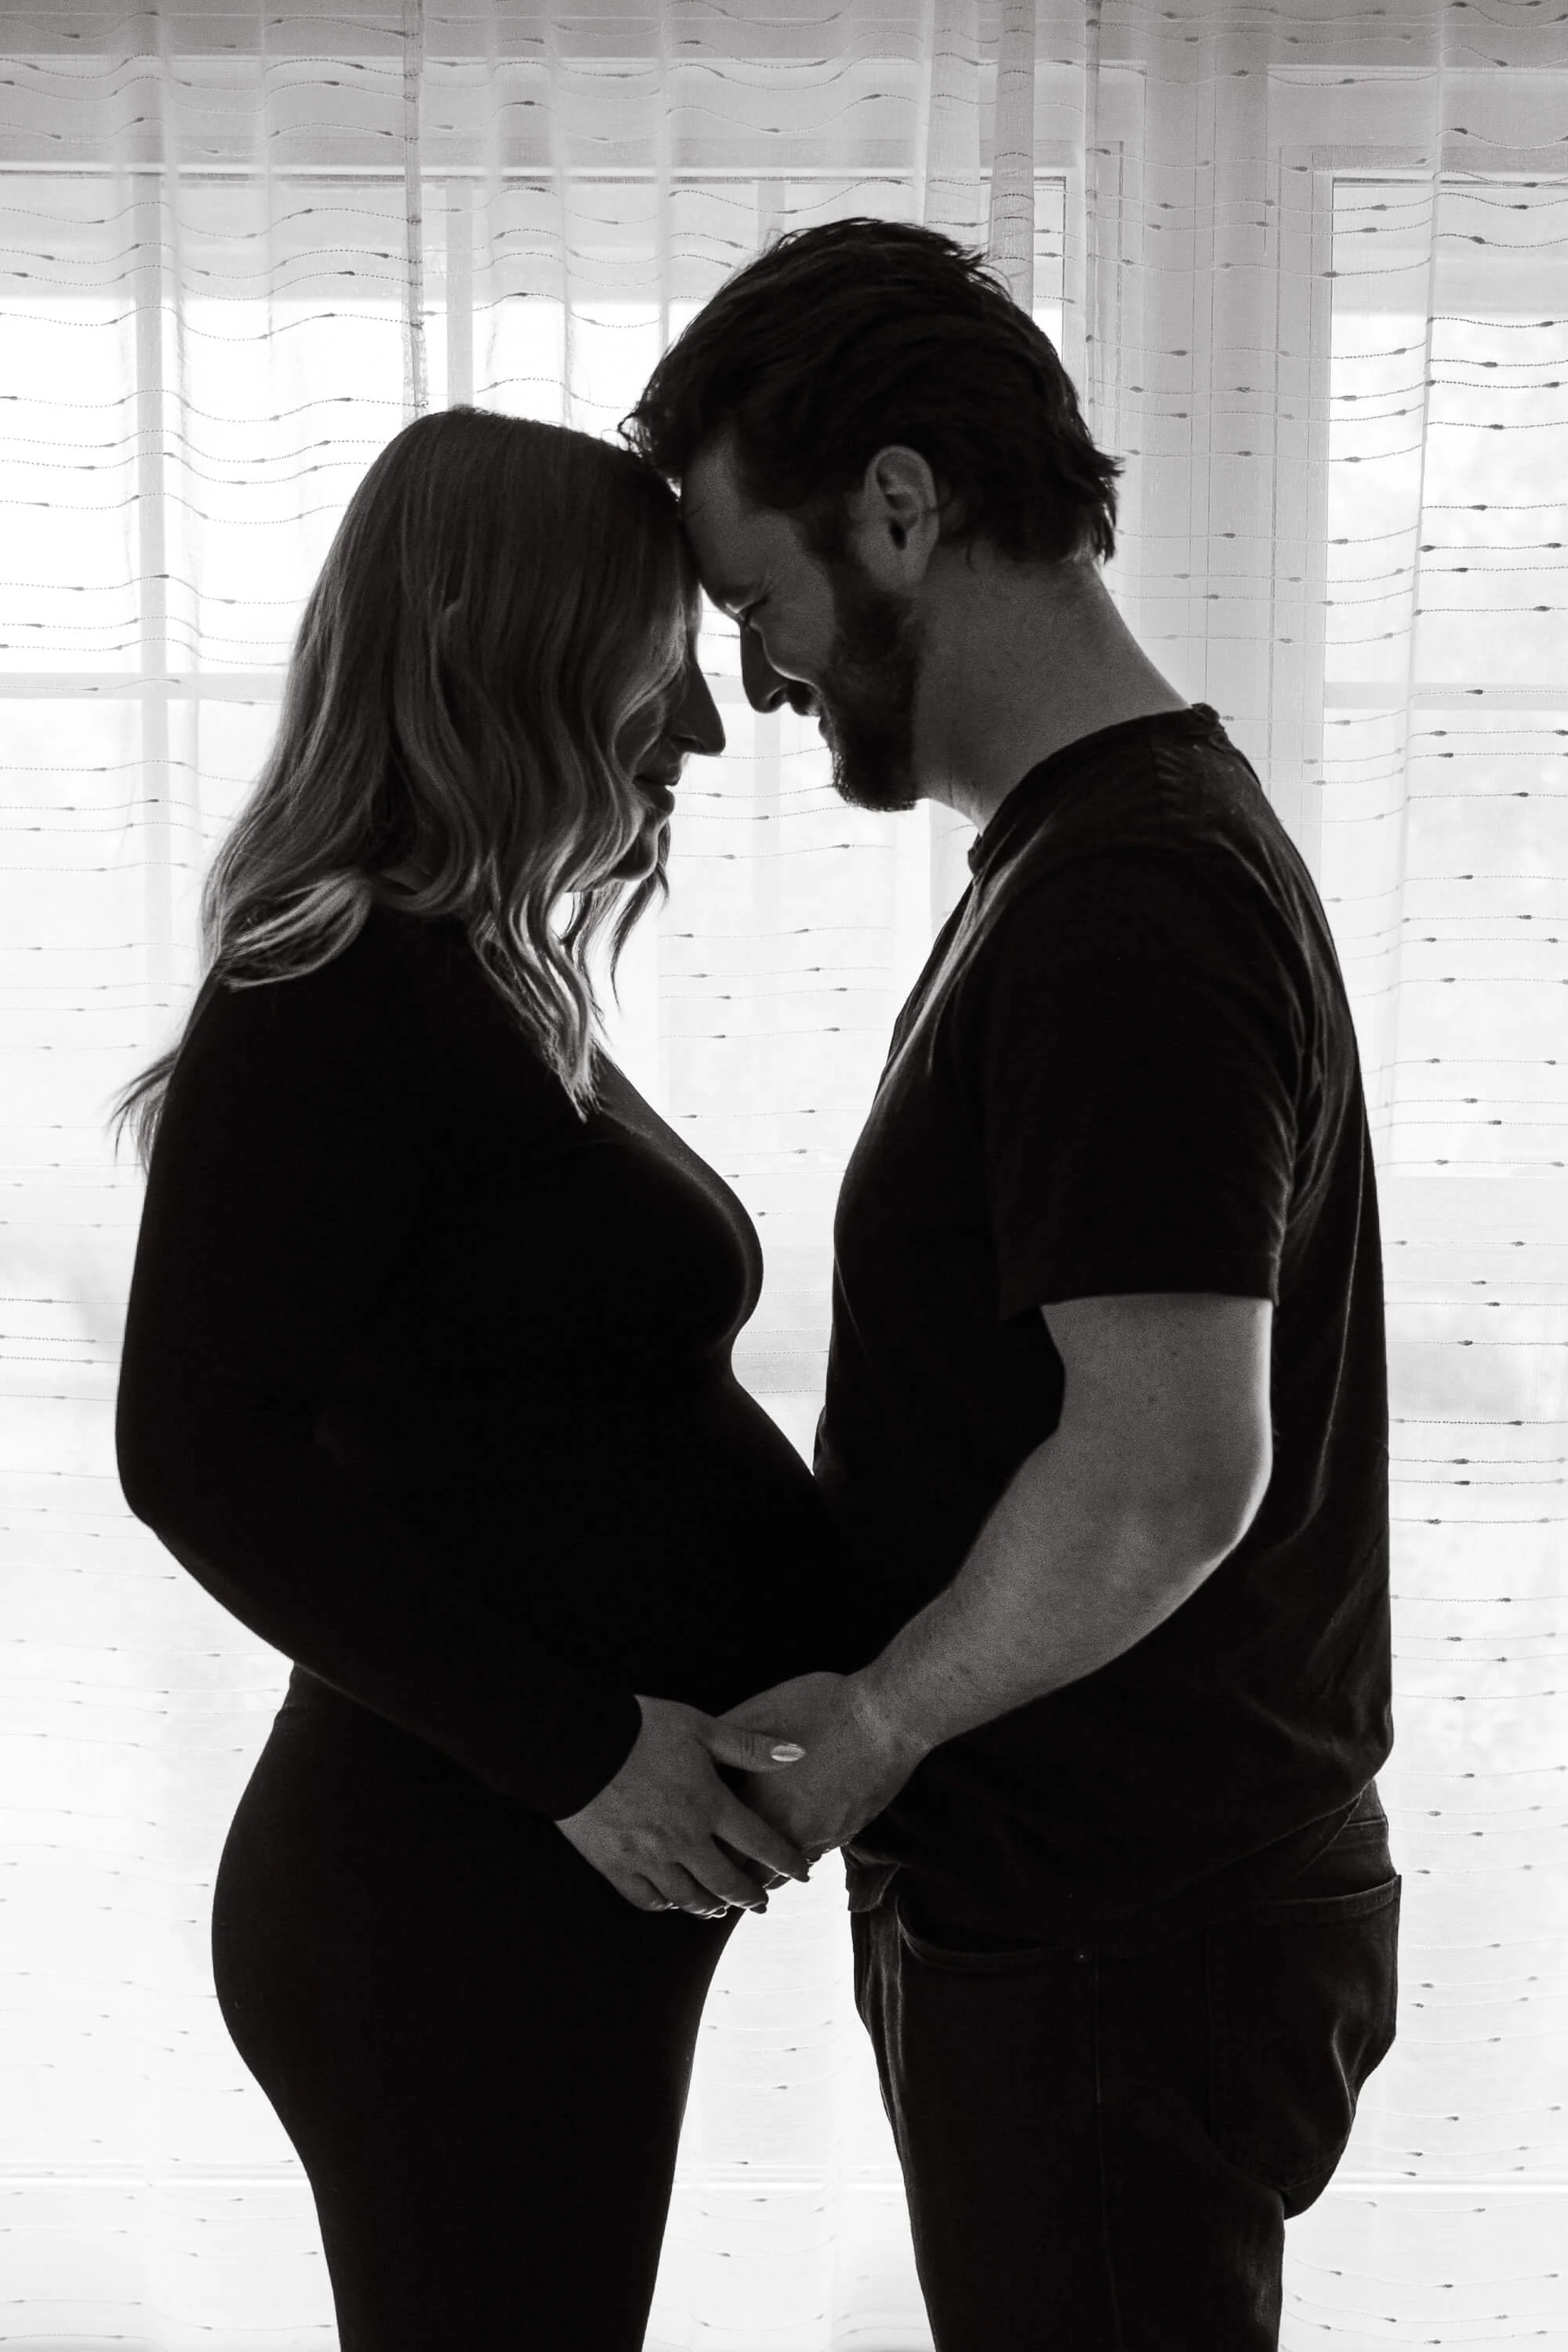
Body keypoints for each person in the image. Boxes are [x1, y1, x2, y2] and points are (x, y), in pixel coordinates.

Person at [615, 216, 1402, 2347]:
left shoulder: (1129, 901)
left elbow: (1165, 1469)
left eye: (755, 596)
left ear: (899, 505)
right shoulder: (1091, 859)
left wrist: (882, 1719)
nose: (753, 675)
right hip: (1099, 1922)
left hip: (1119, 1934)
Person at [108, 406, 883, 2350]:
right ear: (519, 647)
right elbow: (195, 1452)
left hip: (536, 1889)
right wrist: (577, 1751)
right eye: (661, 657)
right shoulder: (331, 982)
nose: (704, 727)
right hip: (449, 1894)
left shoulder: (468, 972)